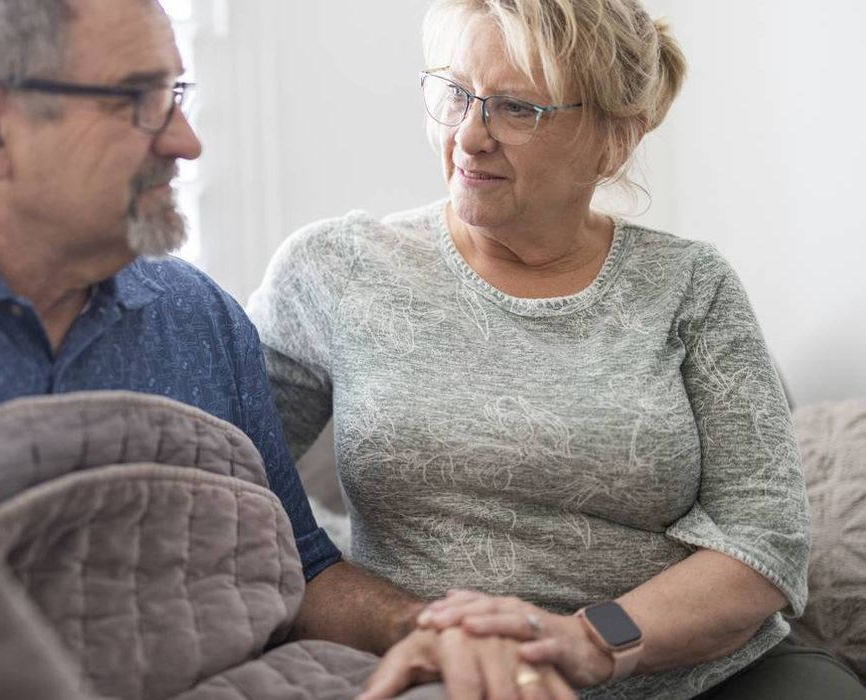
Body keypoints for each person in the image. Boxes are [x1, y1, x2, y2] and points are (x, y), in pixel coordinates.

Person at [0, 1, 573, 697]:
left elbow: (300, 572)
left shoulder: (193, 314)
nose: (185, 140)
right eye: (138, 99)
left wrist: (421, 627)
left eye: (177, 93)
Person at [249, 0, 866, 698]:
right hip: (453, 675)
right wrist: (394, 617)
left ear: (614, 139)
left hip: (707, 675)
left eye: (516, 108)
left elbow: (763, 536)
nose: (469, 134)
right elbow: (229, 487)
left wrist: (587, 641)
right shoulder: (336, 268)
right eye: (454, 93)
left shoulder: (691, 286)